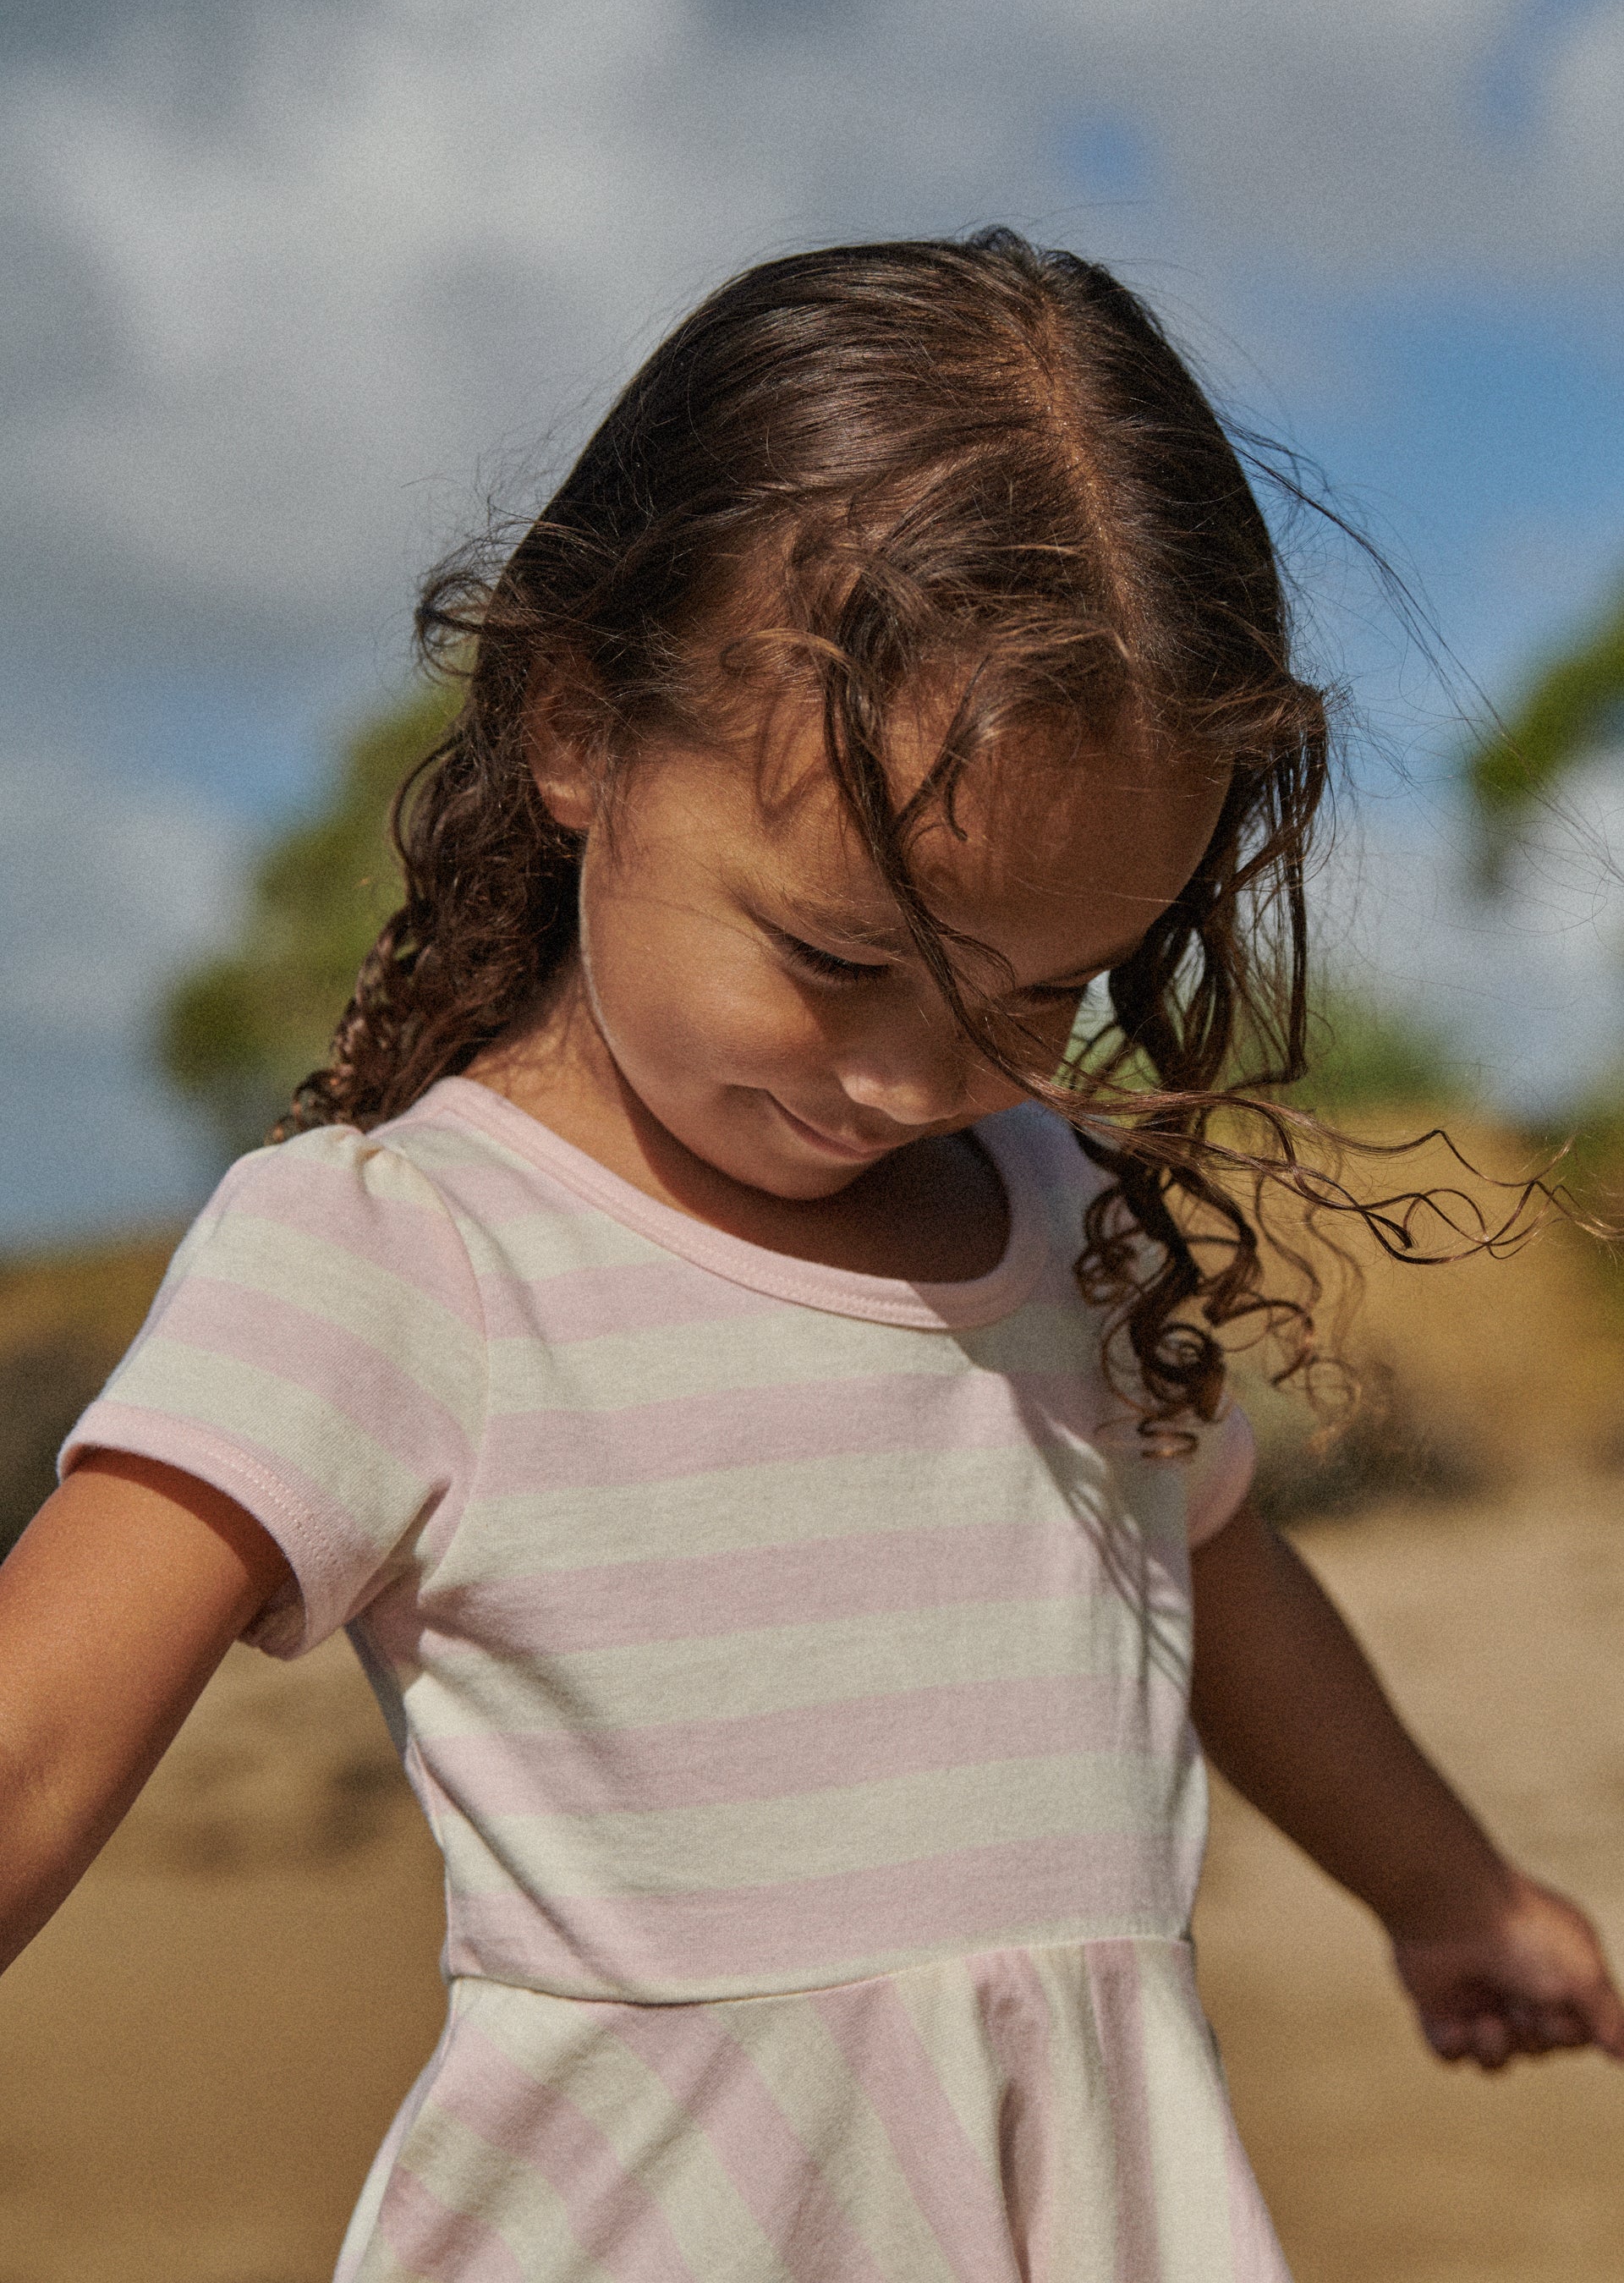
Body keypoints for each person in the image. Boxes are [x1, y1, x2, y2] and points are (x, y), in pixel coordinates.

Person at [3, 233, 1619, 2282]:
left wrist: (1448, 1891)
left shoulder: (1059, 1219)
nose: (914, 1076)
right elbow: (35, 1743)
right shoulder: (408, 1255)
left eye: (1040, 993)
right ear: (577, 727)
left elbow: (1220, 1583)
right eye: (839, 957)